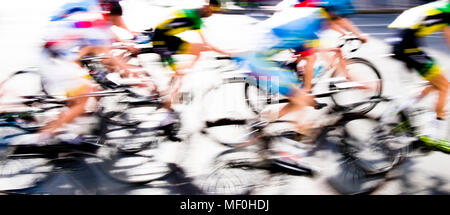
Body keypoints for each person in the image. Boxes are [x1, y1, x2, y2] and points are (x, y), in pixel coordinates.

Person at [243, 3, 368, 136]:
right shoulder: (309, 28)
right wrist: (307, 92)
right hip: (259, 61)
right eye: (334, 21)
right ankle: (261, 126)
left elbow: (320, 40)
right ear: (330, 17)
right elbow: (315, 55)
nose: (332, 26)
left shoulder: (313, 16)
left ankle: (266, 123)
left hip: (261, 48)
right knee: (301, 100)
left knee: (305, 75)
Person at [388, 0, 449, 140]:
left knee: (435, 82)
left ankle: (403, 108)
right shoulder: (448, 10)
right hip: (408, 47)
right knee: (444, 85)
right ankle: (433, 132)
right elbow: (448, 37)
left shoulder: (442, 5)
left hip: (402, 43)